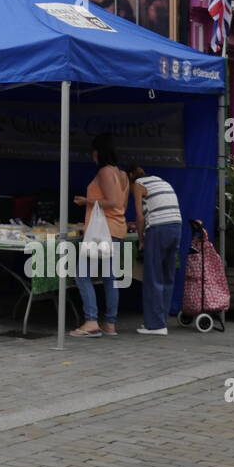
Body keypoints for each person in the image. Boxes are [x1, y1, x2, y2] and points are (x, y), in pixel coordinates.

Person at [70, 133, 130, 337]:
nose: (92, 154)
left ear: (99, 151)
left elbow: (111, 202)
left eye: (93, 150)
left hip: (102, 231)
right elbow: (122, 205)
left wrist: (85, 201)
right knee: (109, 277)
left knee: (82, 274)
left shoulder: (104, 172)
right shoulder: (122, 174)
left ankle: (91, 320)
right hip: (117, 229)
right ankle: (110, 323)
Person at [128, 165, 183, 335]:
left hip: (158, 229)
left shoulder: (137, 184)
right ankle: (162, 320)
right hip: (176, 227)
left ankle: (155, 325)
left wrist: (141, 238)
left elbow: (139, 215)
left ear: (131, 177)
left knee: (153, 276)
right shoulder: (161, 181)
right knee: (168, 276)